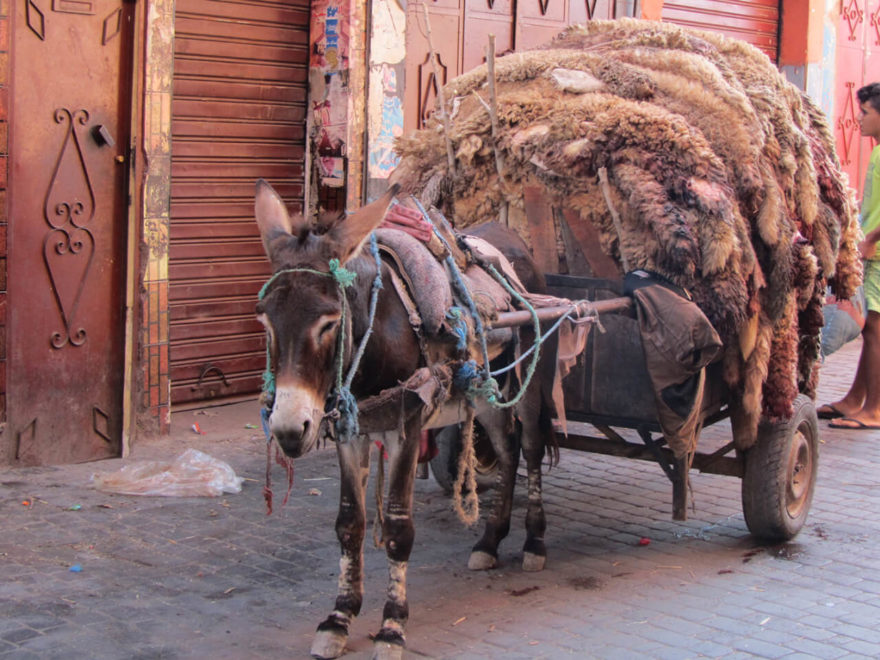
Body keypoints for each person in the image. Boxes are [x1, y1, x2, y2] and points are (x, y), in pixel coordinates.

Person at [819, 82, 880, 429]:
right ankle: (855, 400)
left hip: (878, 253)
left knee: (874, 330)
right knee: (871, 328)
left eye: (866, 112)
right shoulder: (876, 152)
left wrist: (871, 238)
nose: (858, 119)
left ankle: (874, 410)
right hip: (872, 250)